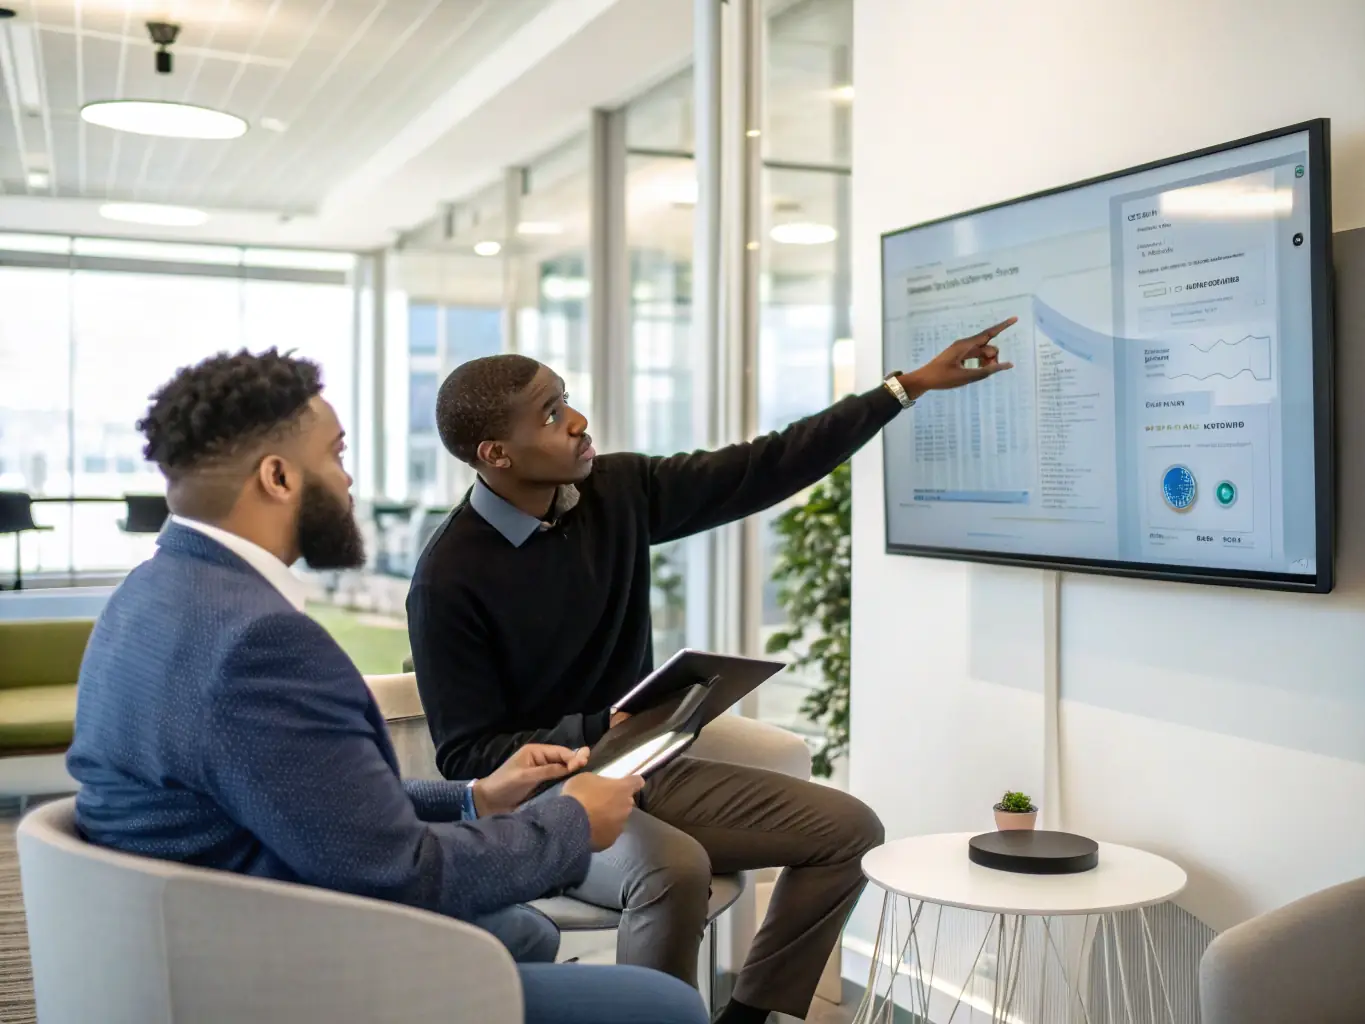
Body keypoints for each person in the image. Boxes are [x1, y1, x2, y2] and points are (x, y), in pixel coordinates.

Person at [67, 349, 708, 1024]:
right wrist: (571, 820)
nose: (348, 482)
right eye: (336, 455)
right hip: (279, 967)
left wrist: (475, 797)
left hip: (205, 927)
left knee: (524, 931)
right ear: (278, 477)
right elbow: (401, 871)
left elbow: (309, 797)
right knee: (663, 1006)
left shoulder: (149, 594)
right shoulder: (259, 643)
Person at [407, 321, 1017, 1022]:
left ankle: (745, 1018)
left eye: (566, 399)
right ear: (497, 454)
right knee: (675, 868)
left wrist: (903, 389)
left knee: (850, 830)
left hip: (647, 767)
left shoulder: (618, 489)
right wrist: (592, 729)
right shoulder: (449, 579)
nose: (577, 422)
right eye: (550, 414)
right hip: (548, 800)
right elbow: (465, 759)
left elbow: (764, 465)